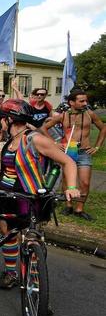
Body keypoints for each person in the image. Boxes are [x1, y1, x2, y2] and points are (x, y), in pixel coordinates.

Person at [0, 99, 81, 289]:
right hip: (6, 197)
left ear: (9, 119)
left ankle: (36, 287)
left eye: (2, 119)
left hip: (29, 198)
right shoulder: (10, 141)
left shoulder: (35, 139)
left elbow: (69, 162)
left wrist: (71, 187)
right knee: (9, 234)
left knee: (33, 240)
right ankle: (11, 273)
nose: (0, 123)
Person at [41, 89, 106, 221]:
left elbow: (103, 127)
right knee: (66, 181)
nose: (85, 103)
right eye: (81, 101)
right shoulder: (63, 115)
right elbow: (44, 128)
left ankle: (79, 209)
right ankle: (69, 205)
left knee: (85, 182)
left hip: (84, 153)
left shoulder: (90, 114)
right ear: (71, 102)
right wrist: (54, 143)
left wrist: (97, 146)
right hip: (68, 152)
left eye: (85, 100)